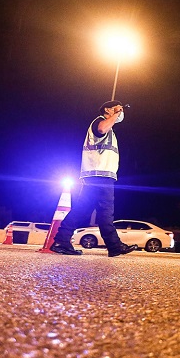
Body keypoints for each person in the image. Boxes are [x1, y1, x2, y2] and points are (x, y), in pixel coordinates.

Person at [50, 100, 139, 257]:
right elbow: (102, 128)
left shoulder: (109, 130)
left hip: (96, 176)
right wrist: (116, 114)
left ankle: (61, 241)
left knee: (82, 210)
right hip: (100, 176)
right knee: (105, 211)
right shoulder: (99, 122)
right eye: (117, 110)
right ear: (107, 110)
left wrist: (117, 113)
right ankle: (114, 246)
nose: (120, 113)